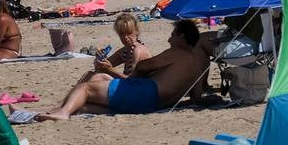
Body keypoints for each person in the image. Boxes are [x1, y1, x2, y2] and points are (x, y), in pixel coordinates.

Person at [38, 20, 213, 120]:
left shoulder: (177, 52)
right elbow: (196, 97)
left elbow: (144, 66)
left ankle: (62, 112)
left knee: (86, 87)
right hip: (155, 104)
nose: (169, 39)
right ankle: (58, 111)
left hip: (146, 92)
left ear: (182, 36)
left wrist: (135, 77)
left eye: (173, 35)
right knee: (85, 106)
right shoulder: (196, 63)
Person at [78, 13, 152, 83]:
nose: (125, 37)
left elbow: (133, 81)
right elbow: (100, 68)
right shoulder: (126, 50)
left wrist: (111, 71)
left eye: (129, 33)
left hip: (140, 89)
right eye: (122, 34)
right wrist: (100, 59)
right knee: (89, 74)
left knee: (98, 78)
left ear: (136, 32)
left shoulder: (137, 50)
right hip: (130, 86)